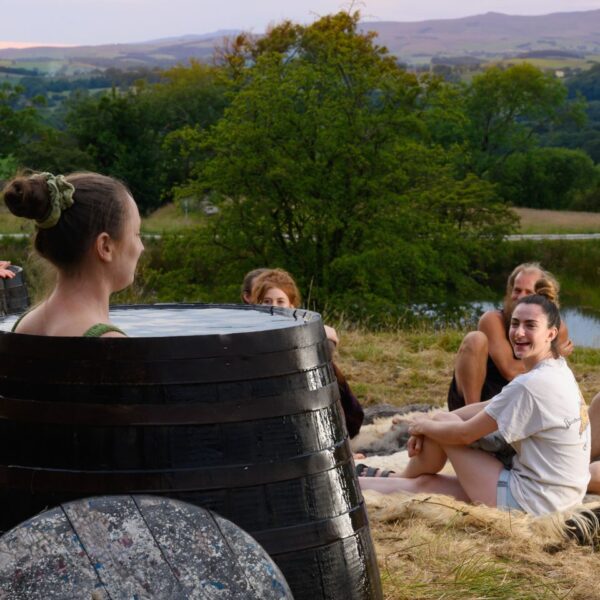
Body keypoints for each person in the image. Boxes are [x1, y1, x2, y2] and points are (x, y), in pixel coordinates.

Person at [359, 282, 591, 516]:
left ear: (551, 333)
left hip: (531, 504)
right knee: (425, 485)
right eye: (515, 324)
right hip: (561, 499)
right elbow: (493, 404)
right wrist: (437, 421)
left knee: (442, 427)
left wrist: (423, 426)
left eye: (530, 325)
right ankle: (355, 484)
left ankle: (401, 474)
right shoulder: (558, 370)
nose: (519, 333)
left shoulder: (530, 385)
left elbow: (464, 434)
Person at [2, 171, 144, 337]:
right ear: (105, 246)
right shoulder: (111, 343)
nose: (141, 247)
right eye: (137, 234)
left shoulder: (25, 325)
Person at [249, 268, 364, 438]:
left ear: (291, 306)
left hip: (337, 418)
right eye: (267, 301)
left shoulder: (301, 329)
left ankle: (340, 440)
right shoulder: (251, 334)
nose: (273, 307)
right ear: (257, 306)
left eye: (280, 301)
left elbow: (330, 333)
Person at [447, 262, 572, 411]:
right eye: (517, 290)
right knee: (475, 339)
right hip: (481, 396)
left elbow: (552, 374)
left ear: (542, 296)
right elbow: (510, 372)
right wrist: (555, 353)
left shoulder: (558, 328)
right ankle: (469, 418)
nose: (520, 297)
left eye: (528, 292)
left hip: (519, 400)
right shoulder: (493, 319)